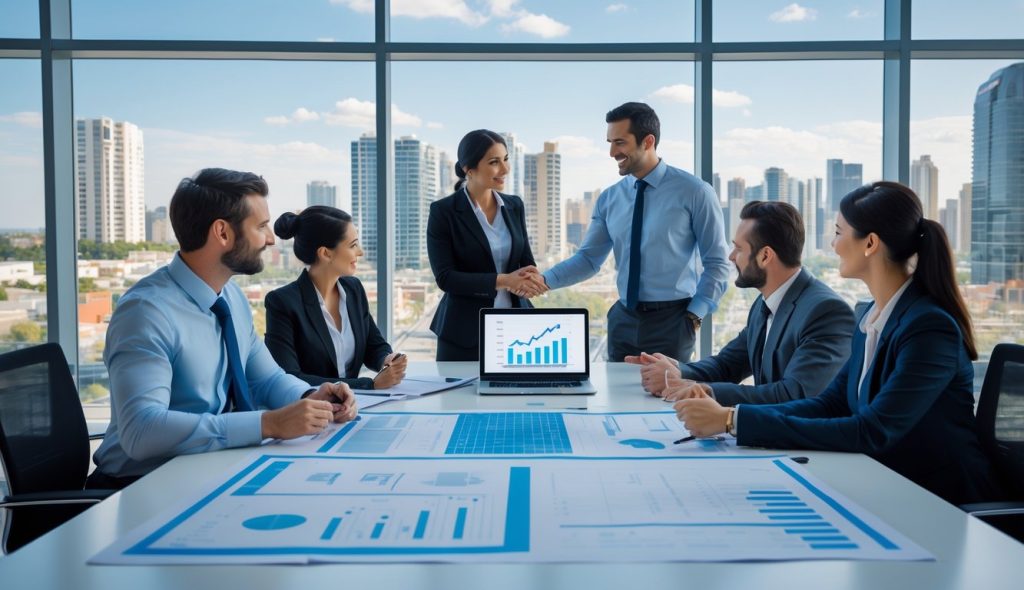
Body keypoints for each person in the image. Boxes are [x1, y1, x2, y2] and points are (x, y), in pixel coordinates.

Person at [675, 182, 1004, 505]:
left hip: (941, 502)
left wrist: (733, 421)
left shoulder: (929, 328)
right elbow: (829, 405)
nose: (833, 244)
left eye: (838, 231)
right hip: (887, 487)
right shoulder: (870, 317)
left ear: (870, 243)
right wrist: (733, 416)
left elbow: (872, 431)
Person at [89, 168, 357, 489]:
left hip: (206, 471)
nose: (271, 239)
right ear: (223, 233)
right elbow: (142, 432)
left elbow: (266, 378)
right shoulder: (147, 313)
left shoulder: (230, 296)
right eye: (261, 227)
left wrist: (312, 398)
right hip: (138, 486)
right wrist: (268, 424)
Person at [536, 102, 730, 362]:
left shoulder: (695, 192)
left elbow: (717, 262)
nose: (611, 152)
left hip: (673, 322)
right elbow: (588, 260)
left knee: (666, 401)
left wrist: (695, 315)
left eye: (620, 142)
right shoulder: (609, 198)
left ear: (647, 141)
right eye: (610, 142)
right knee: (615, 401)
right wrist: (543, 280)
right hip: (623, 320)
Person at [627, 201, 855, 406]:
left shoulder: (825, 312)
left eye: (739, 248)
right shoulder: (765, 304)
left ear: (765, 256)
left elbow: (795, 394)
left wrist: (703, 391)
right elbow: (728, 365)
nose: (731, 256)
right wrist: (677, 370)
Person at [427, 129, 546, 361]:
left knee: (515, 395)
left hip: (515, 327)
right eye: (494, 162)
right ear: (468, 169)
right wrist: (504, 280)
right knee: (459, 397)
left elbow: (525, 259)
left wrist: (530, 277)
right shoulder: (443, 212)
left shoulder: (514, 206)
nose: (505, 169)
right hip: (463, 332)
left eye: (506, 159)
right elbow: (446, 278)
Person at [265, 206, 407, 390]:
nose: (360, 252)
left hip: (356, 408)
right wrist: (369, 385)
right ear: (325, 253)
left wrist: (386, 359)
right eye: (353, 245)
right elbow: (289, 377)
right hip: (312, 410)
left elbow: (374, 345)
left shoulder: (353, 289)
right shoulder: (282, 302)